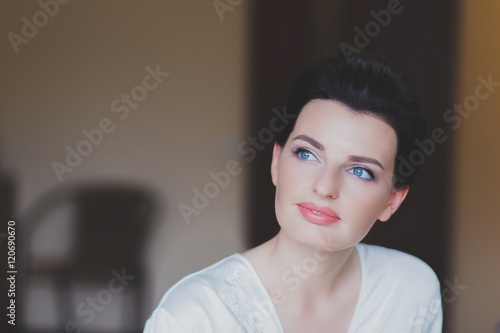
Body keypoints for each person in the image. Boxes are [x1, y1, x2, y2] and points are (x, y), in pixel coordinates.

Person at [144, 53, 442, 332]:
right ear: (276, 161)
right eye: (307, 154)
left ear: (393, 200)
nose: (325, 187)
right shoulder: (195, 315)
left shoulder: (411, 289)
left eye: (360, 171)